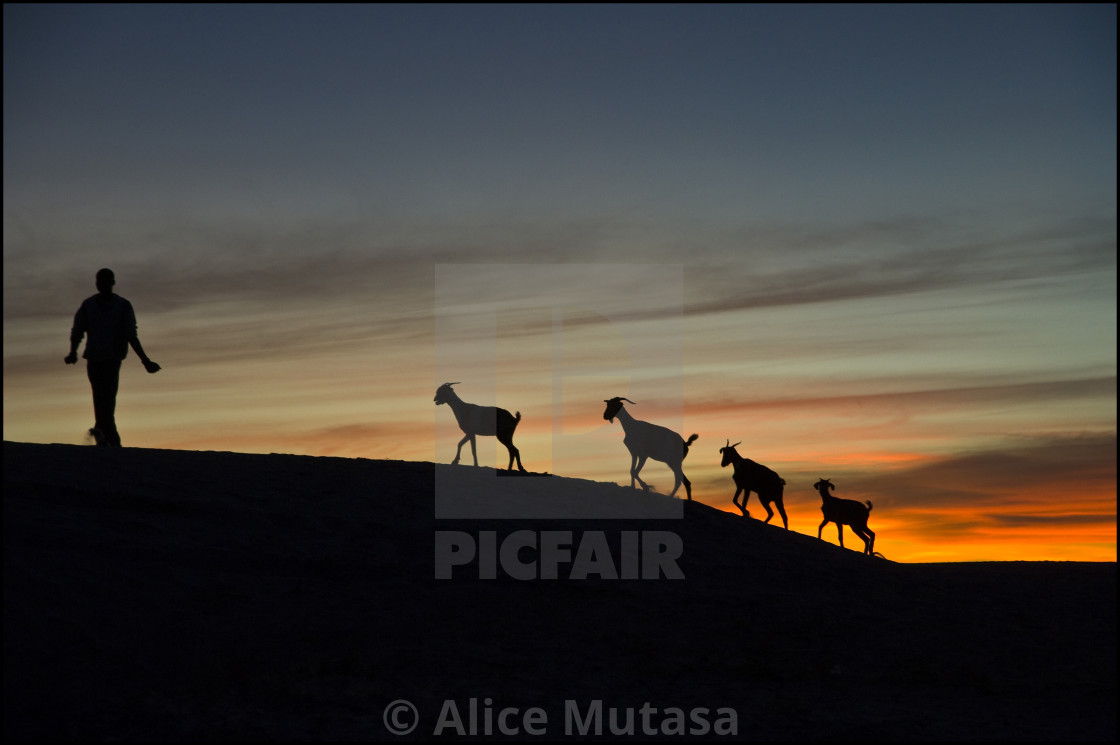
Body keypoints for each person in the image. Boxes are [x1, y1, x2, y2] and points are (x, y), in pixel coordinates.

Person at [65, 268, 160, 446]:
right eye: (99, 281)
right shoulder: (90, 305)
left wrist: (145, 360)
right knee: (103, 399)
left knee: (106, 399)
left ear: (112, 283)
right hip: (94, 358)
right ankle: (108, 438)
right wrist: (72, 352)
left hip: (111, 359)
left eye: (104, 281)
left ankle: (104, 436)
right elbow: (78, 331)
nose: (101, 285)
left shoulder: (122, 306)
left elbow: (131, 334)